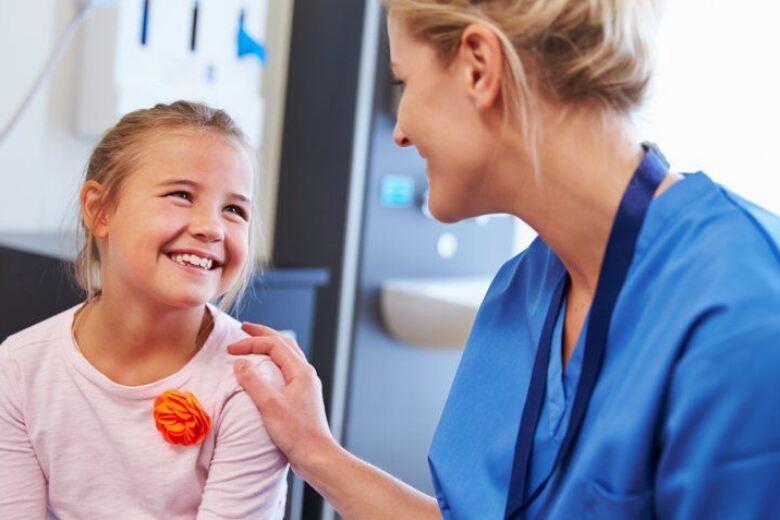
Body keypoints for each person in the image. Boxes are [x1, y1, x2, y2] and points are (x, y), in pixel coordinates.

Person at [228, 0, 780, 518]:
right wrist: (314, 450)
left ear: (478, 67)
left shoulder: (743, 311)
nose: (400, 131)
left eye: (404, 82)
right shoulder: (522, 290)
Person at [0, 101, 288, 519]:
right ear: (99, 210)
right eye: (181, 195)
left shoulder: (251, 383)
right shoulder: (19, 368)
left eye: (234, 210)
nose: (212, 227)